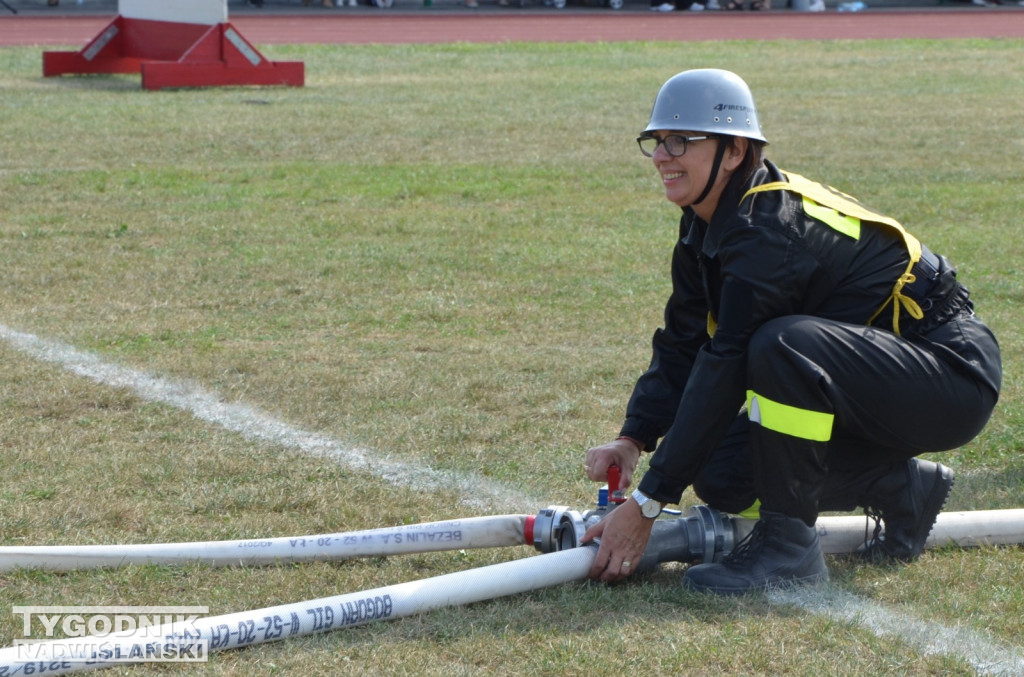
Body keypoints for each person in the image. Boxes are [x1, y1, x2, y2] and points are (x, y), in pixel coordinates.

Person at [582, 69, 1001, 595]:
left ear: (734, 152)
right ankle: (900, 488)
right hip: (881, 380)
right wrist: (634, 437)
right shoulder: (707, 222)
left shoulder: (768, 232)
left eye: (680, 140)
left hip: (950, 376)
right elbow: (685, 340)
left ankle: (788, 550)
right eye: (656, 141)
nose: (663, 155)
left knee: (779, 344)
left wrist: (646, 504)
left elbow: (726, 364)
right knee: (720, 472)